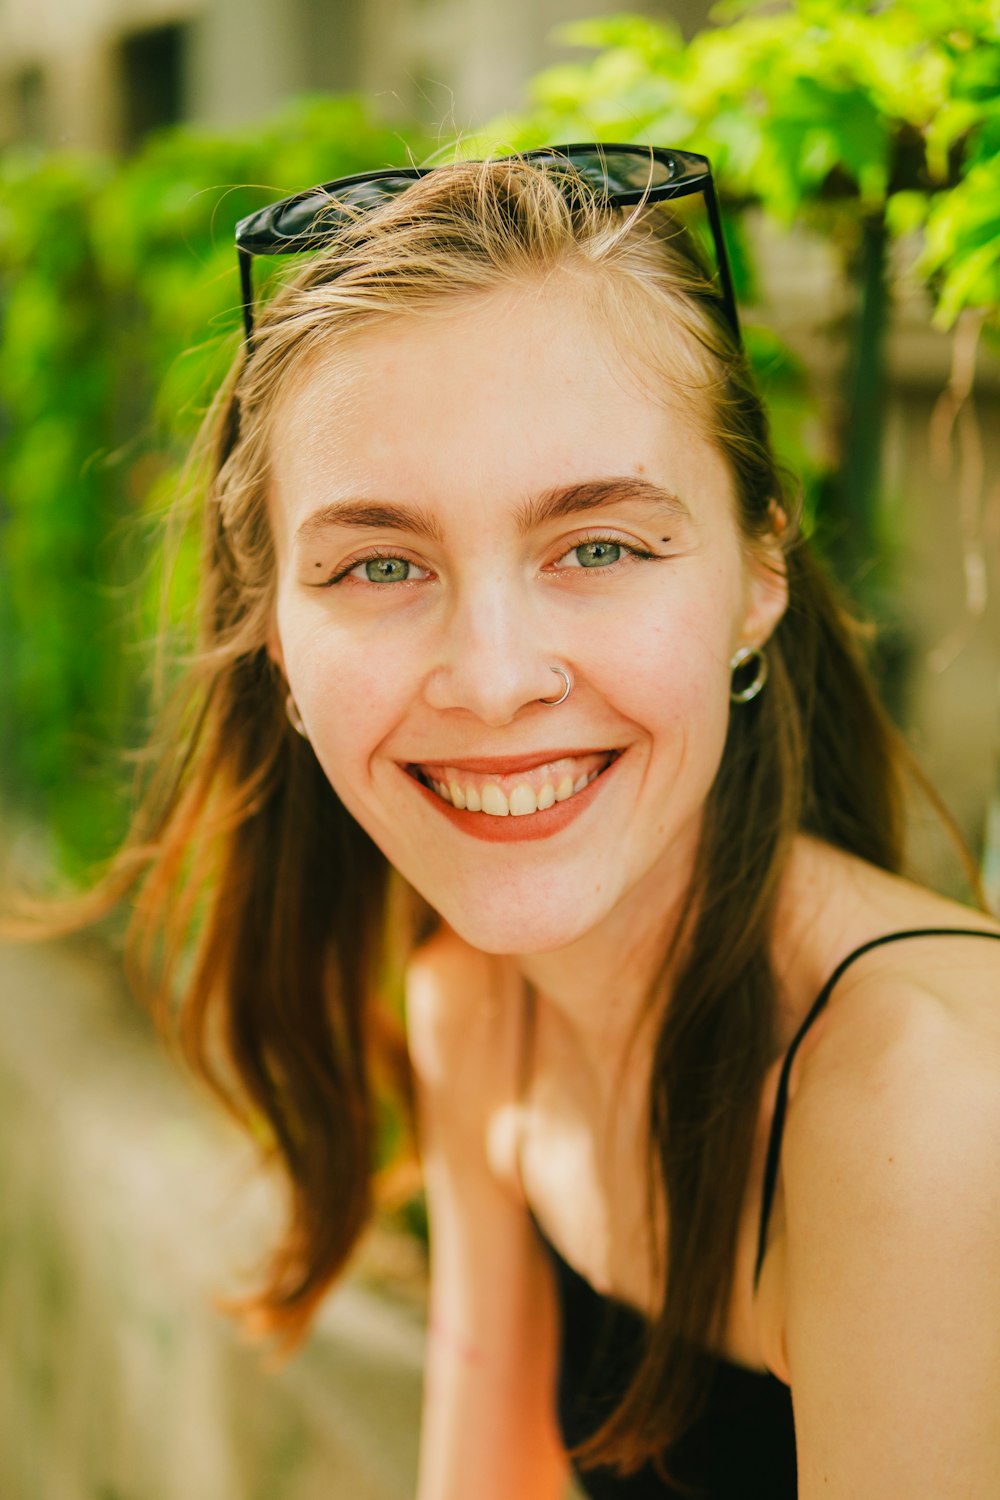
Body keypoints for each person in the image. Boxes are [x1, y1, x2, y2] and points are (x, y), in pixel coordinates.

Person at [19, 146, 1000, 1498]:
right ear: (276, 645)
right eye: (379, 564)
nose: (493, 679)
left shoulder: (929, 1112)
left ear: (759, 573)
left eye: (598, 545)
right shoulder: (482, 1018)